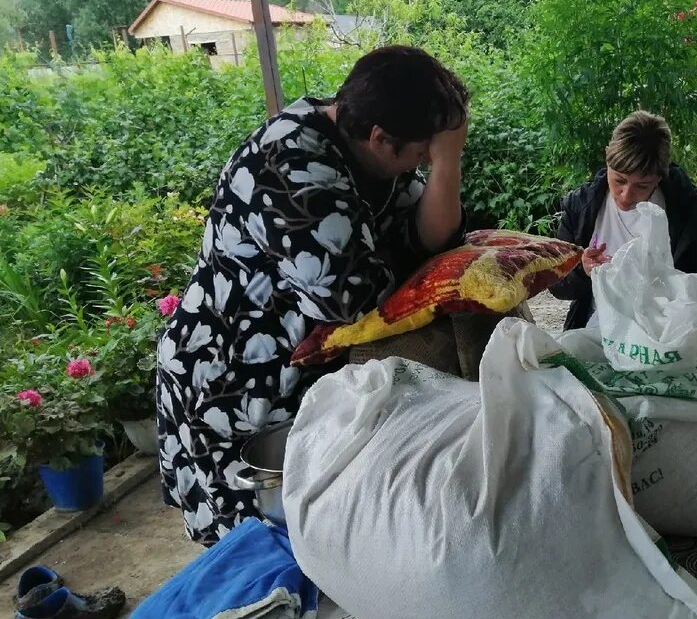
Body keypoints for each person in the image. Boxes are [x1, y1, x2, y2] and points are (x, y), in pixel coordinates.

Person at [157, 46, 469, 545]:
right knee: (263, 552)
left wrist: (446, 161)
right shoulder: (288, 165)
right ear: (380, 139)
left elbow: (426, 238)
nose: (426, 164)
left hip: (291, 370)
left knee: (316, 547)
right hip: (235, 380)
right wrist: (395, 258)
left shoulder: (365, 133)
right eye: (424, 153)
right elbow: (348, 297)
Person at [550, 111, 697, 330]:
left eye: (642, 186)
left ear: (660, 176)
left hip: (670, 333)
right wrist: (582, 270)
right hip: (597, 328)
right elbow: (557, 286)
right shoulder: (580, 208)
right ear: (607, 158)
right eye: (619, 180)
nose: (626, 195)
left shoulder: (692, 214)